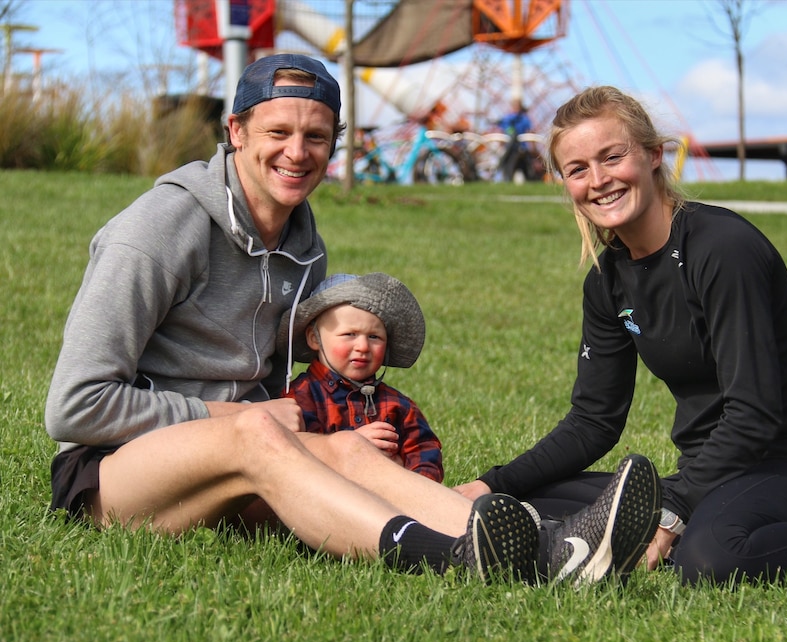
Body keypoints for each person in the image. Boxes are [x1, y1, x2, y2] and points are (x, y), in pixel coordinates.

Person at [43, 54, 659, 587]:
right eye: (277, 131)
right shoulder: (156, 231)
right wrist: (239, 417)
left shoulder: (305, 248)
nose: (297, 152)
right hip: (114, 478)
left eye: (316, 136)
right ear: (235, 130)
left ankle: (557, 547)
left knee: (348, 450)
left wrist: (339, 440)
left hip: (247, 463)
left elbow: (300, 396)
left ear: (335, 143)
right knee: (260, 435)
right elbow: (74, 407)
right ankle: (451, 559)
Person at [456, 85, 787, 586]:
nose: (599, 180)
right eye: (578, 169)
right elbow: (593, 421)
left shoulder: (722, 249)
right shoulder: (607, 281)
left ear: (653, 155)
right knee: (520, 503)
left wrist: (671, 507)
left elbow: (754, 413)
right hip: (707, 476)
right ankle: (582, 543)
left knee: (708, 559)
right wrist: (489, 483)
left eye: (612, 157)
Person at [283, 272, 443, 482]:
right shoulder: (299, 399)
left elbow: (424, 450)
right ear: (315, 339)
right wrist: (349, 446)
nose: (363, 347)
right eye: (350, 334)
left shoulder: (398, 406)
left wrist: (418, 485)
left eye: (374, 337)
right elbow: (289, 458)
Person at [498, 99, 534, 183]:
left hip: (521, 149)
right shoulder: (507, 118)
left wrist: (533, 147)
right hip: (511, 149)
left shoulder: (524, 119)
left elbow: (529, 131)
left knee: (524, 169)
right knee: (510, 169)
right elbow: (502, 132)